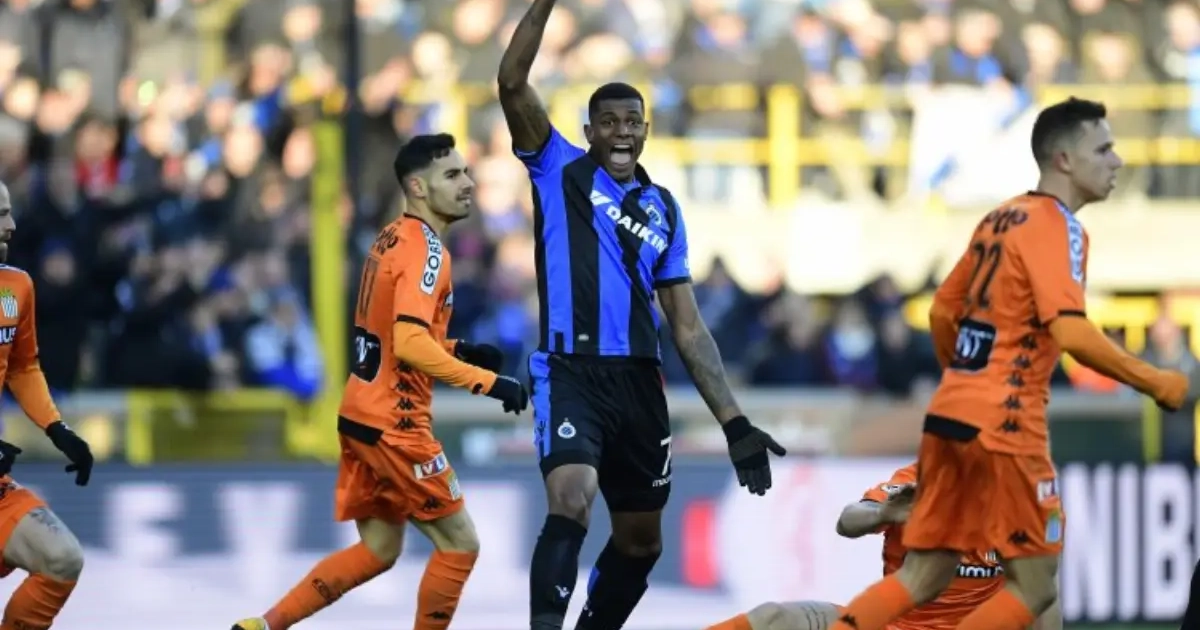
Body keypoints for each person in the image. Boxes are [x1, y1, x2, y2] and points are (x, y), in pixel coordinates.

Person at [825, 98, 1189, 630]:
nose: (1117, 160)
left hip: (954, 414)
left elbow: (942, 310)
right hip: (1007, 422)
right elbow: (1071, 331)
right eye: (1104, 149)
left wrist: (965, 380)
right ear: (1064, 160)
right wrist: (1156, 381)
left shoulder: (999, 218)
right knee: (1038, 588)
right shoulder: (1061, 227)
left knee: (922, 576)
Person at [497, 2, 785, 630]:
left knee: (641, 543)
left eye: (632, 121)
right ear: (589, 129)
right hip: (570, 371)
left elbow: (687, 325)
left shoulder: (664, 210)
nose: (621, 132)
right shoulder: (556, 167)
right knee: (571, 498)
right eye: (608, 122)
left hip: (639, 381)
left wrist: (734, 422)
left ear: (646, 130)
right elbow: (512, 81)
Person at [232, 134, 529, 630]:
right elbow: (409, 344)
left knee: (379, 548)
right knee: (460, 544)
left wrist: (459, 349)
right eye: (452, 175)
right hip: (397, 424)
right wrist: (487, 382)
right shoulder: (427, 251)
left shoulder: (390, 237)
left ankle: (262, 627)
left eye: (465, 172)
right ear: (417, 187)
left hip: (360, 415)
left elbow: (395, 335)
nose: (467, 183)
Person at [705, 464, 1063, 630]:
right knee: (773, 620)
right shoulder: (915, 484)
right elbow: (848, 521)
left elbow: (1044, 596)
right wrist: (884, 513)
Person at [0, 181, 94, 630]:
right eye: (0, 215)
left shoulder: (16, 286)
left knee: (61, 558)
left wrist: (58, 429)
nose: (12, 225)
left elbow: (22, 367)